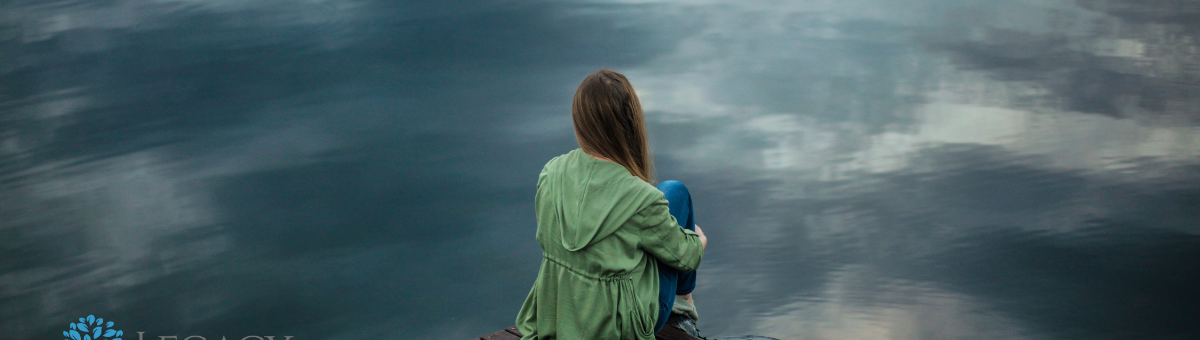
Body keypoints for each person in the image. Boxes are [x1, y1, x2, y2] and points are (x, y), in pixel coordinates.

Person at [514, 69, 708, 340]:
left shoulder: (550, 173)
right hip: (621, 328)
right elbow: (687, 257)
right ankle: (683, 308)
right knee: (675, 191)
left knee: (660, 208)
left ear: (579, 121)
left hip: (561, 316)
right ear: (630, 123)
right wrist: (698, 242)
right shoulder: (642, 198)